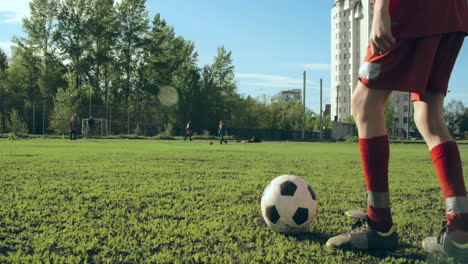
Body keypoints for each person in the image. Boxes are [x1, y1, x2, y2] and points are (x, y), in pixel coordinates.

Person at [325, 0, 468, 259]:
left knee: (364, 104)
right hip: (455, 13)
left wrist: (381, 9)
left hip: (412, 7)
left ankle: (379, 225)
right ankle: (459, 232)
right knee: (429, 116)